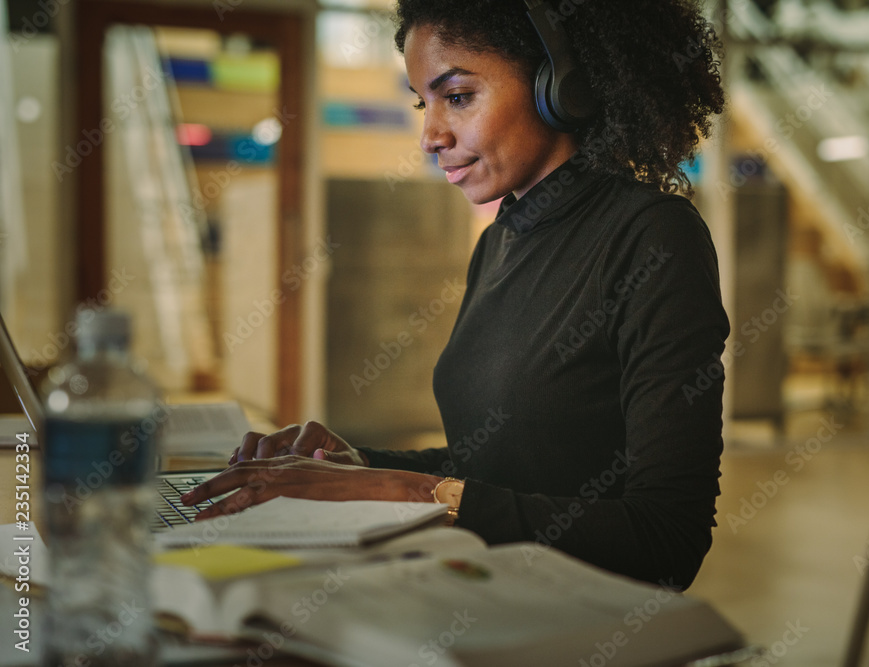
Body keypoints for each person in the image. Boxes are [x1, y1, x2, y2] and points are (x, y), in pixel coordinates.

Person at [182, 0, 728, 588]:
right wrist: (359, 465)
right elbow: (492, 468)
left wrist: (405, 489)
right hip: (486, 592)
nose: (430, 136)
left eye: (459, 96)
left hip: (584, 625)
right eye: (424, 102)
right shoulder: (499, 242)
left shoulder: (651, 236)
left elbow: (668, 538)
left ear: (560, 85)